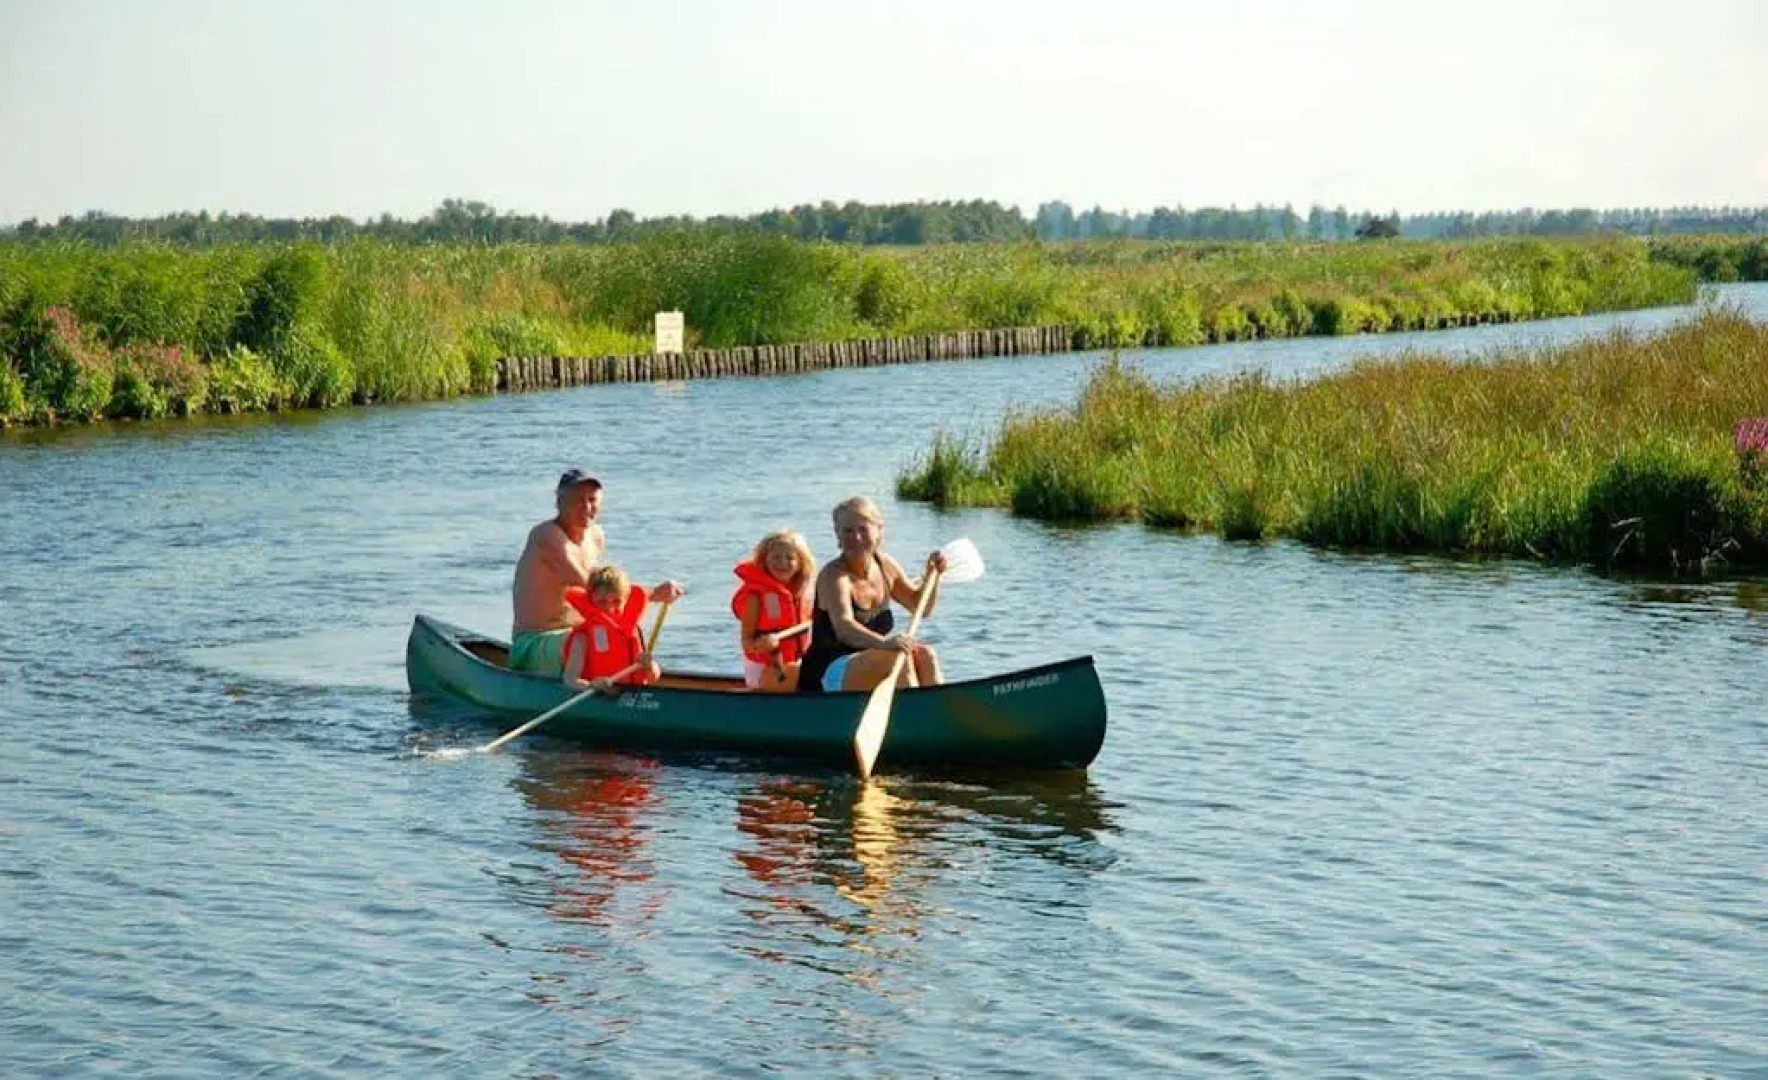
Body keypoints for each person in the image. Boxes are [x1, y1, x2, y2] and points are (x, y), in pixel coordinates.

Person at [510, 468, 685, 675]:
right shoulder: (546, 535)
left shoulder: (596, 536)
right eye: (577, 500)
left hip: (580, 638)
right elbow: (589, 585)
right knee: (597, 638)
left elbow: (607, 590)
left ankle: (628, 682)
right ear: (559, 502)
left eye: (592, 500)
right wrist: (654, 593)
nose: (586, 507)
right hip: (535, 642)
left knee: (625, 636)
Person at [797, 496, 947, 694]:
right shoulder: (834, 576)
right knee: (896, 659)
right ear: (837, 535)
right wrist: (885, 643)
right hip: (827, 672)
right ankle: (917, 715)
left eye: (863, 529)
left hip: (870, 659)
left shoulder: (886, 566)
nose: (856, 538)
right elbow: (845, 628)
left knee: (926, 655)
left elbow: (920, 606)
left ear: (879, 531)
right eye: (848, 531)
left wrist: (933, 577)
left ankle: (941, 712)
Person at [731, 529, 816, 692]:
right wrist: (761, 644)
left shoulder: (805, 593)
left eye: (790, 558)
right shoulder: (755, 596)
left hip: (795, 663)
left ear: (800, 563)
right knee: (808, 675)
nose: (782, 563)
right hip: (764, 668)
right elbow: (747, 642)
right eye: (776, 557)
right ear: (765, 560)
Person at [560, 566, 661, 693]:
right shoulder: (583, 637)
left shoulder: (632, 631)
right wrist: (592, 686)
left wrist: (650, 666)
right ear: (591, 600)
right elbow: (570, 680)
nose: (610, 608)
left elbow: (653, 678)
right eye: (602, 601)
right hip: (598, 697)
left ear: (625, 600)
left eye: (617, 601)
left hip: (633, 697)